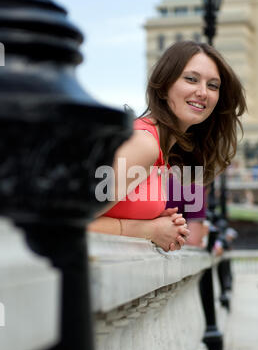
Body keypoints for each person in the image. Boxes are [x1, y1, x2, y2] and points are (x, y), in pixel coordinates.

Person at [88, 41, 246, 252]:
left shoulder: (162, 153)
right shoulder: (144, 144)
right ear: (163, 87)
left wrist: (161, 224)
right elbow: (65, 223)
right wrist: (148, 230)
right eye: (191, 79)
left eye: (213, 85)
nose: (203, 92)